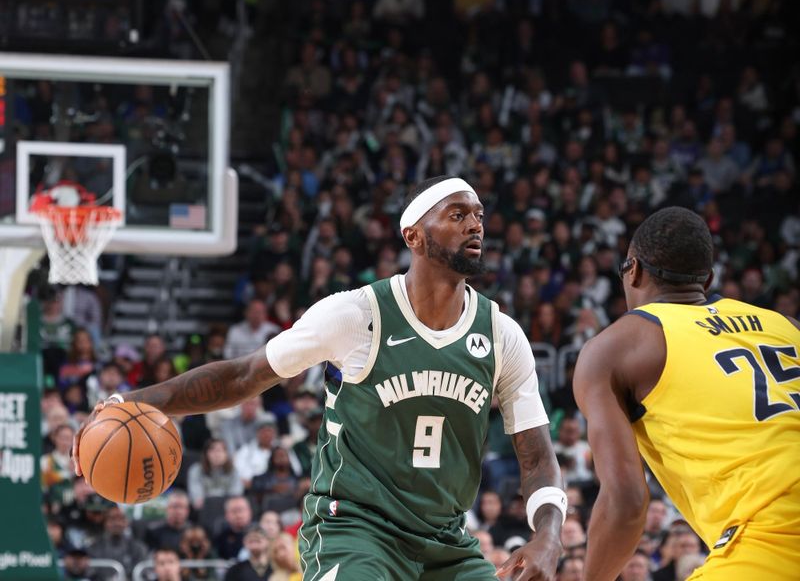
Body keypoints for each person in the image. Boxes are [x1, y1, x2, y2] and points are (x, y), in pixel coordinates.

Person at [75, 176, 565, 580]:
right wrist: (132, 400)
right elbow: (245, 374)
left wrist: (548, 531)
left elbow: (537, 455)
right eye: (457, 214)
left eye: (478, 214)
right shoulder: (355, 315)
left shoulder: (501, 335)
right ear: (413, 235)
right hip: (353, 530)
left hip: (446, 542)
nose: (475, 223)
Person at [573, 206, 800, 580]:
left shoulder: (619, 347)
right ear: (707, 280)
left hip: (771, 540)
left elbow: (626, 502)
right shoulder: (784, 325)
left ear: (634, 270)